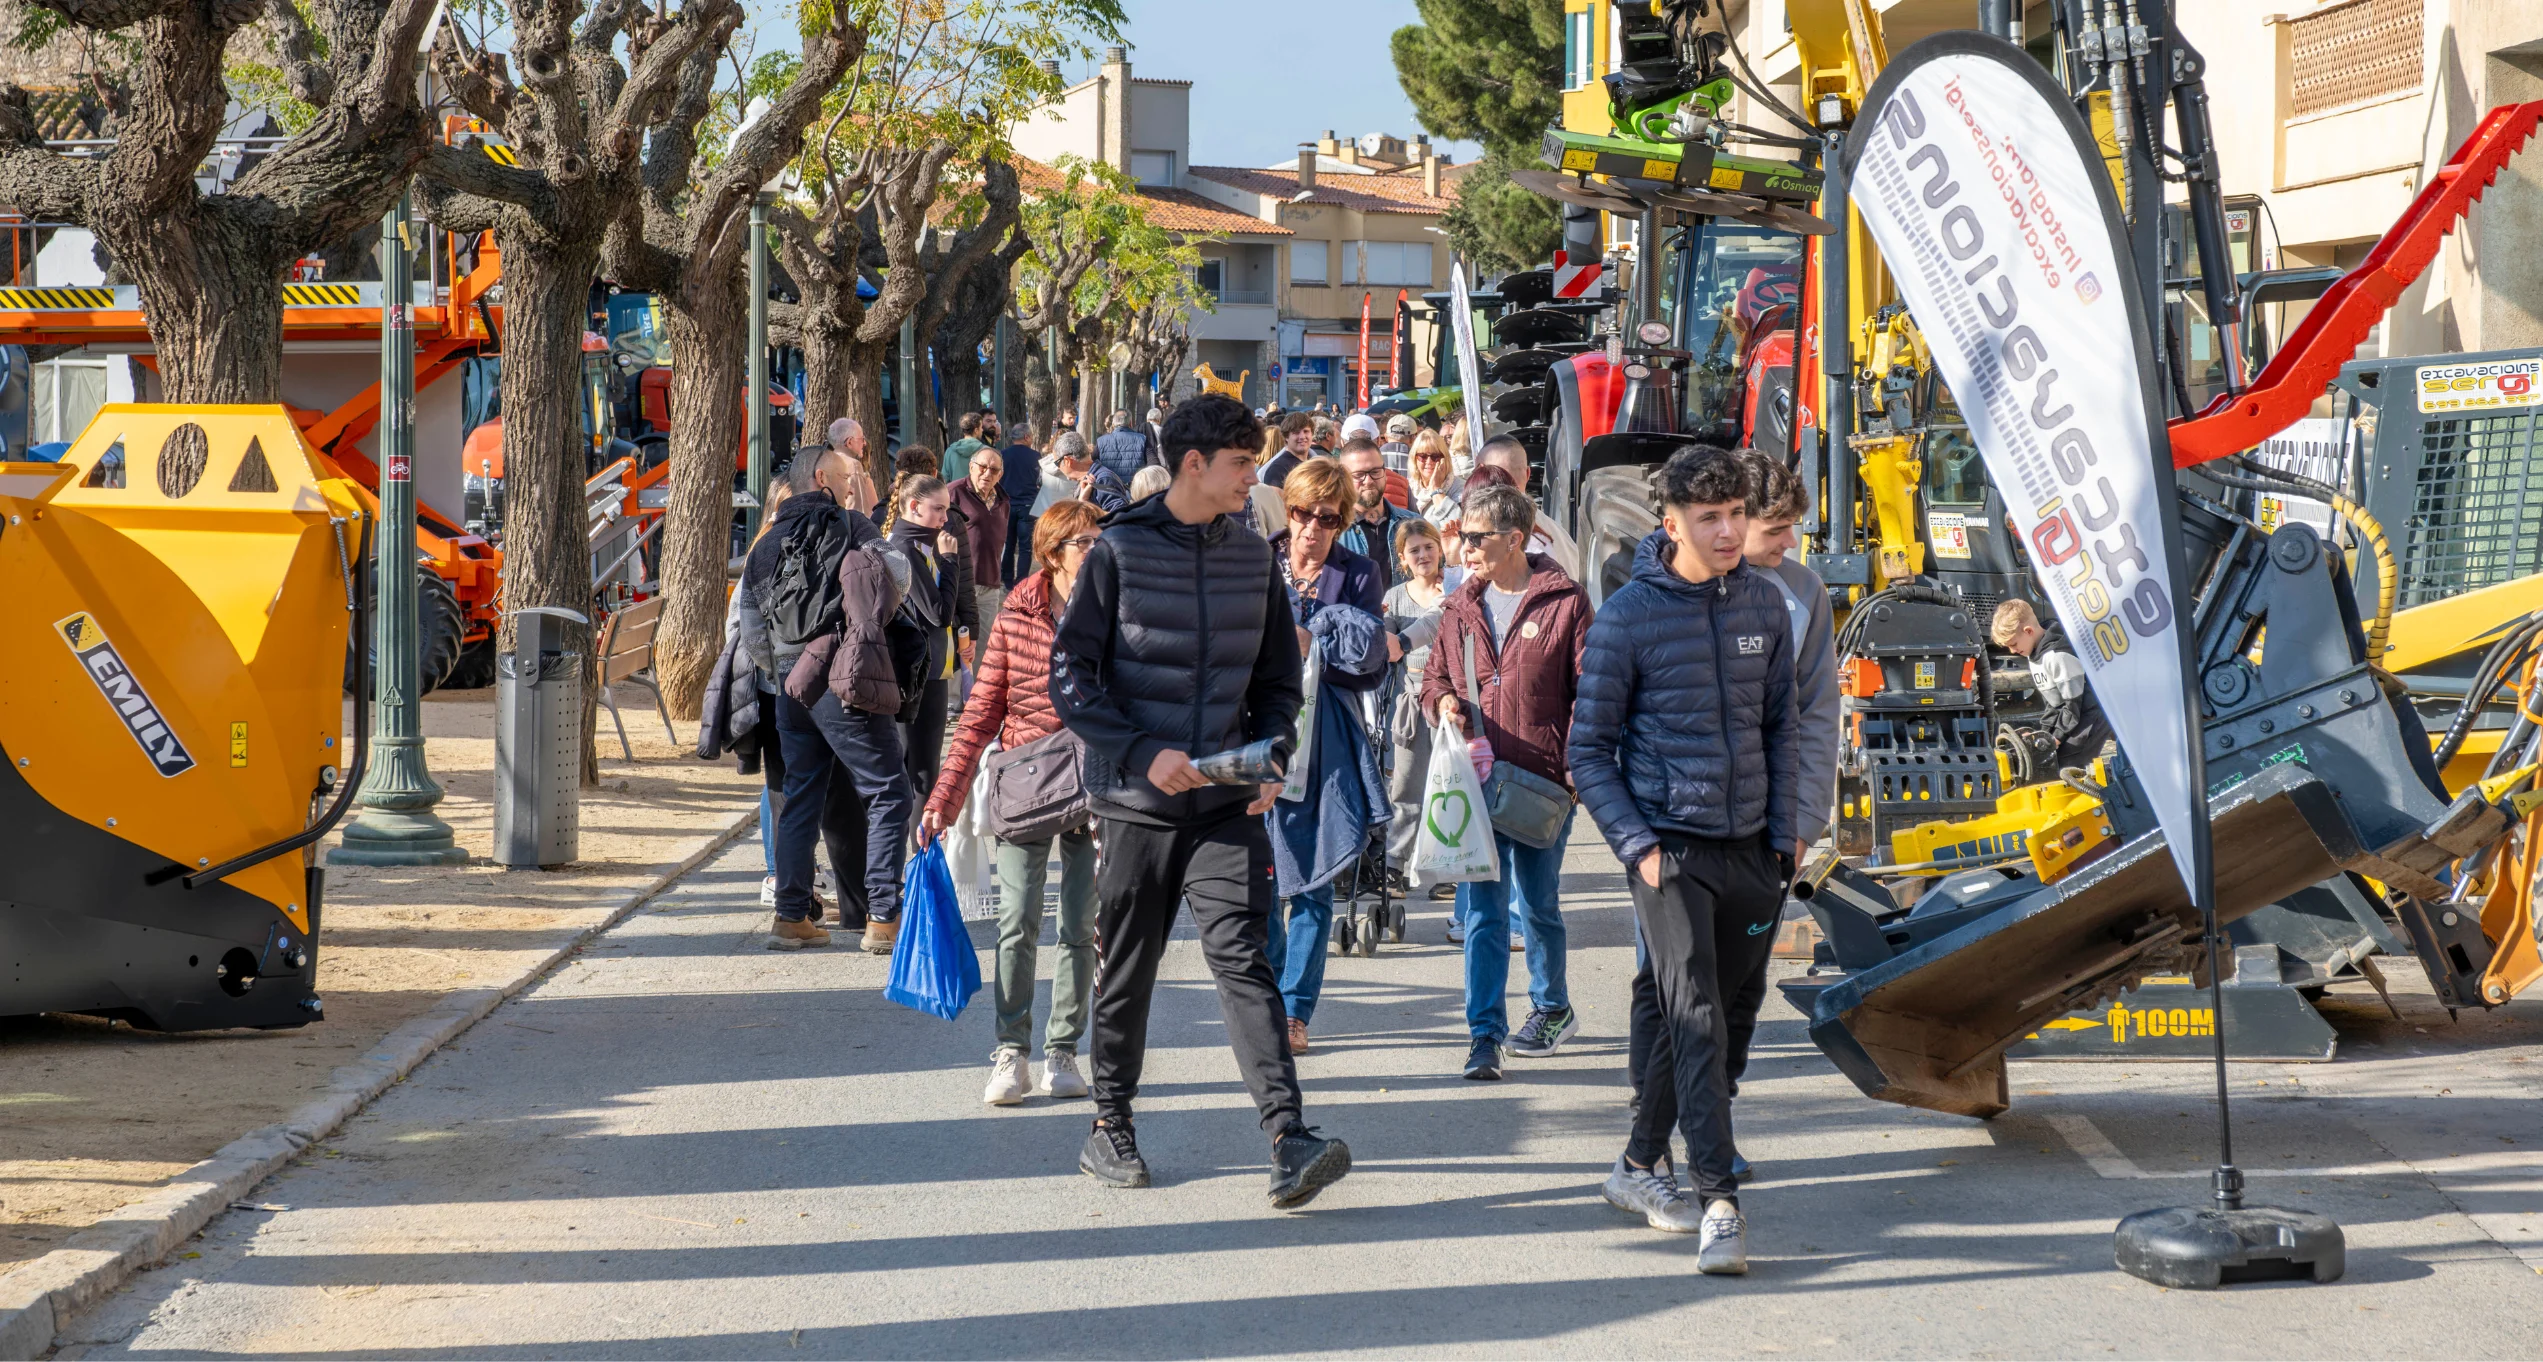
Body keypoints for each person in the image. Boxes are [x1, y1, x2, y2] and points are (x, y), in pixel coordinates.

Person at [1050, 392, 1351, 1209]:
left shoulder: (1252, 557)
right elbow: (1070, 675)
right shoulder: (1116, 550)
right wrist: (1142, 753)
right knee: (1129, 969)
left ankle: (1289, 1137)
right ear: (1194, 464)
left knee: (1245, 961)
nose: (1255, 478)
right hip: (1134, 804)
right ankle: (1110, 1126)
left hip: (1224, 805)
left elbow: (1278, 683)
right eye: (1243, 463)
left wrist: (1270, 755)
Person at [1569, 443, 1794, 1275]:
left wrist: (1786, 832)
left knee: (1720, 1019)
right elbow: (1586, 751)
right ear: (1670, 524)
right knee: (1694, 1015)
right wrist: (1640, 849)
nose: (1728, 531)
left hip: (1753, 850)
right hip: (1670, 851)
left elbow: (1781, 725)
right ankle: (1718, 1203)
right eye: (1709, 518)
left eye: (1736, 514)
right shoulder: (1627, 617)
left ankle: (1635, 1162)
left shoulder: (1764, 603)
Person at [921, 500, 1106, 1108]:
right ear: (1052, 554)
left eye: (1099, 540)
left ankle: (1063, 1050)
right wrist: (943, 800)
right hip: (1029, 782)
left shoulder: (1117, 608)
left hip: (1097, 785)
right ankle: (1011, 1050)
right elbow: (980, 714)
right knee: (1017, 921)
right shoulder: (1016, 615)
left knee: (1080, 925)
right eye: (1083, 543)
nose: (1096, 551)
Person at [1424, 483, 1594, 1082]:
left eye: (1476, 537)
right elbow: (1434, 679)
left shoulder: (1566, 602)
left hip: (1544, 783)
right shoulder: (1458, 607)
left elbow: (1591, 693)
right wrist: (1443, 702)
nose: (1464, 547)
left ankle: (1551, 1007)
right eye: (1461, 536)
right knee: (1484, 913)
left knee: (1539, 906)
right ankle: (1484, 1034)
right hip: (1477, 784)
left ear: (1515, 539)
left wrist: (1574, 773)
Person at [748, 446, 916, 956]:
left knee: (800, 796)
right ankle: (883, 917)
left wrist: (783, 669)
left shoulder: (764, 542)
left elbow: (752, 630)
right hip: (845, 680)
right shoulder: (852, 525)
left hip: (790, 688)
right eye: (846, 478)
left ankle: (791, 916)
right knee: (889, 792)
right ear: (821, 478)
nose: (850, 487)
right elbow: (900, 578)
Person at [1261, 456, 1386, 1055]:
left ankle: (1294, 1010)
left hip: (1326, 738)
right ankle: (1265, 996)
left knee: (1313, 878)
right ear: (1287, 510)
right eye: (1303, 513)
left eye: (1328, 518)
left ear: (1342, 521)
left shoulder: (1358, 573)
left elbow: (1371, 666)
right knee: (1257, 877)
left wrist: (1317, 646)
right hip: (1256, 732)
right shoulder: (1257, 559)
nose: (1313, 527)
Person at [880, 472, 970, 811]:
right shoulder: (905, 547)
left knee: (916, 766)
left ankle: (913, 838)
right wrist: (951, 562)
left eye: (947, 509)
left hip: (921, 667)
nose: (945, 519)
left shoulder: (914, 544)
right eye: (939, 509)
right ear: (914, 506)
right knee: (921, 770)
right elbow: (938, 613)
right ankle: (918, 841)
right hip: (919, 672)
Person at [1381, 519, 1456, 901]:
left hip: (1452, 704)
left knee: (1450, 785)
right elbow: (1387, 649)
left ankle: (1449, 869)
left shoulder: (1455, 587)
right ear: (1402, 559)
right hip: (1410, 704)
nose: (1423, 555)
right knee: (1406, 787)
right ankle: (1394, 866)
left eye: (1429, 546)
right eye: (1415, 550)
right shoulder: (1395, 597)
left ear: (1440, 549)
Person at [1421, 434, 1584, 581]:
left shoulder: (1501, 542)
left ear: (1482, 474)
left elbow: (1471, 598)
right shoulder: (1558, 532)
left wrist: (1453, 565)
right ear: (1528, 474)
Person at [1991, 598, 2112, 777]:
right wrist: (2044, 734)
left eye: (2013, 644)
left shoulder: (2057, 656)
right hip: (2074, 715)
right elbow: (2053, 703)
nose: (2012, 651)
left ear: (2028, 631)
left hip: (2091, 715)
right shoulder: (2034, 654)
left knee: (2067, 767)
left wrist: (2057, 737)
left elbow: (2072, 704)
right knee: (2046, 760)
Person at [1335, 435, 1424, 594]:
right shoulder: (1332, 531)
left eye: (1375, 472)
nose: (1368, 481)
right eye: (1359, 475)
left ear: (1385, 472)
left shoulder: (1414, 524)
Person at [951, 448, 1008, 636]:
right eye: (982, 467)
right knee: (958, 643)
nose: (987, 473)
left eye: (994, 470)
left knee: (983, 645)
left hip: (990, 584)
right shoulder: (953, 493)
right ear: (971, 467)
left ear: (1000, 474)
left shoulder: (1003, 500)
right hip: (960, 584)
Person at [996, 423, 1043, 586]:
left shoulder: (1003, 455)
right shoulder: (1035, 456)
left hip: (1007, 504)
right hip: (1028, 505)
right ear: (1026, 437)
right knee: (1025, 547)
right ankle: (1022, 581)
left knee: (1008, 544)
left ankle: (1007, 579)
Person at [1052, 429, 1128, 513]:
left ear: (1067, 461)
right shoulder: (1090, 479)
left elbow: (1119, 515)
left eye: (1057, 463)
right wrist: (1082, 502)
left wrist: (1086, 505)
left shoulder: (1103, 479)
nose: (1058, 468)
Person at [1094, 408, 1155, 485]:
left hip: (1109, 488)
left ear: (1113, 424)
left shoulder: (1101, 441)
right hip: (1136, 487)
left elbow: (1091, 465)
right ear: (1131, 423)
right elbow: (1154, 464)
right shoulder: (1142, 439)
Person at [1261, 411, 1313, 489]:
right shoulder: (1278, 469)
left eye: (1306, 431)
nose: (1302, 436)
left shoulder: (1315, 461)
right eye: (1296, 432)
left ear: (1312, 434)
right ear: (1286, 437)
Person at [941, 411, 988, 485]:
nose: (982, 430)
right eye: (981, 427)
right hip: (978, 492)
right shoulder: (986, 451)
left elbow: (945, 478)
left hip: (955, 491)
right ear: (976, 430)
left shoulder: (950, 451)